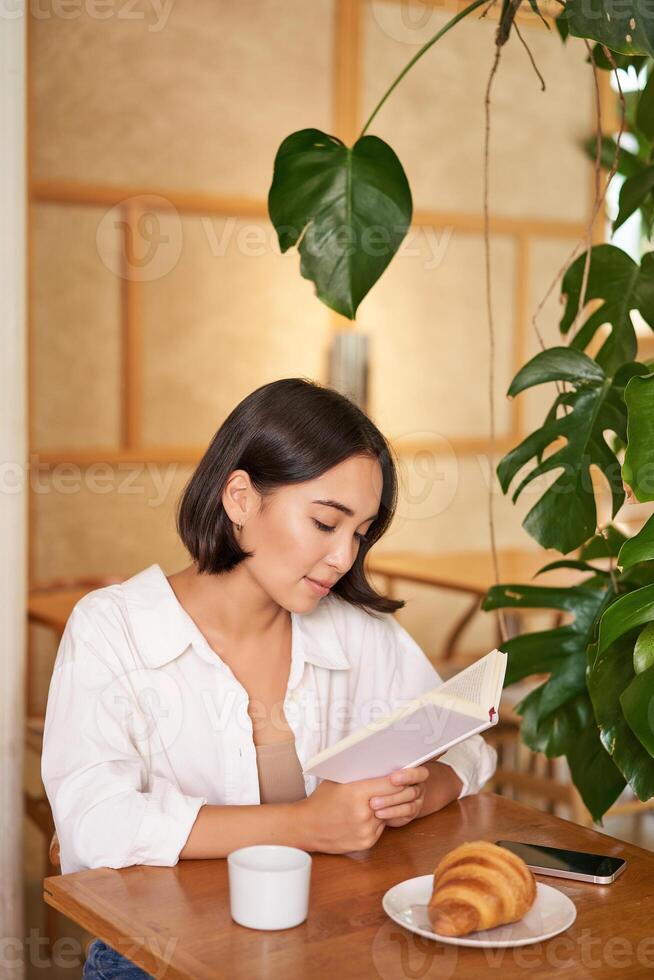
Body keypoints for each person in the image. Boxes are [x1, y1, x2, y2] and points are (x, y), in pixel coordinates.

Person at [42, 378, 497, 978]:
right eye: (326, 523)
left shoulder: (356, 629)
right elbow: (92, 827)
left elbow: (468, 745)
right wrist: (307, 824)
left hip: (328, 941)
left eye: (360, 533)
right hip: (156, 954)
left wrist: (420, 794)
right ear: (240, 499)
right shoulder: (113, 628)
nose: (344, 558)